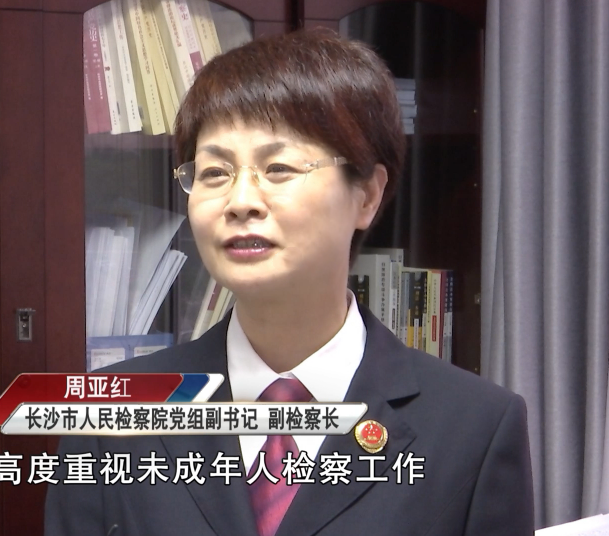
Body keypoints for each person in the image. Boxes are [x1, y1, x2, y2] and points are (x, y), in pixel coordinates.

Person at [46, 28, 533, 536]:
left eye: (278, 167)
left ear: (367, 195)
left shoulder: (476, 426)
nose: (240, 201)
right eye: (214, 173)